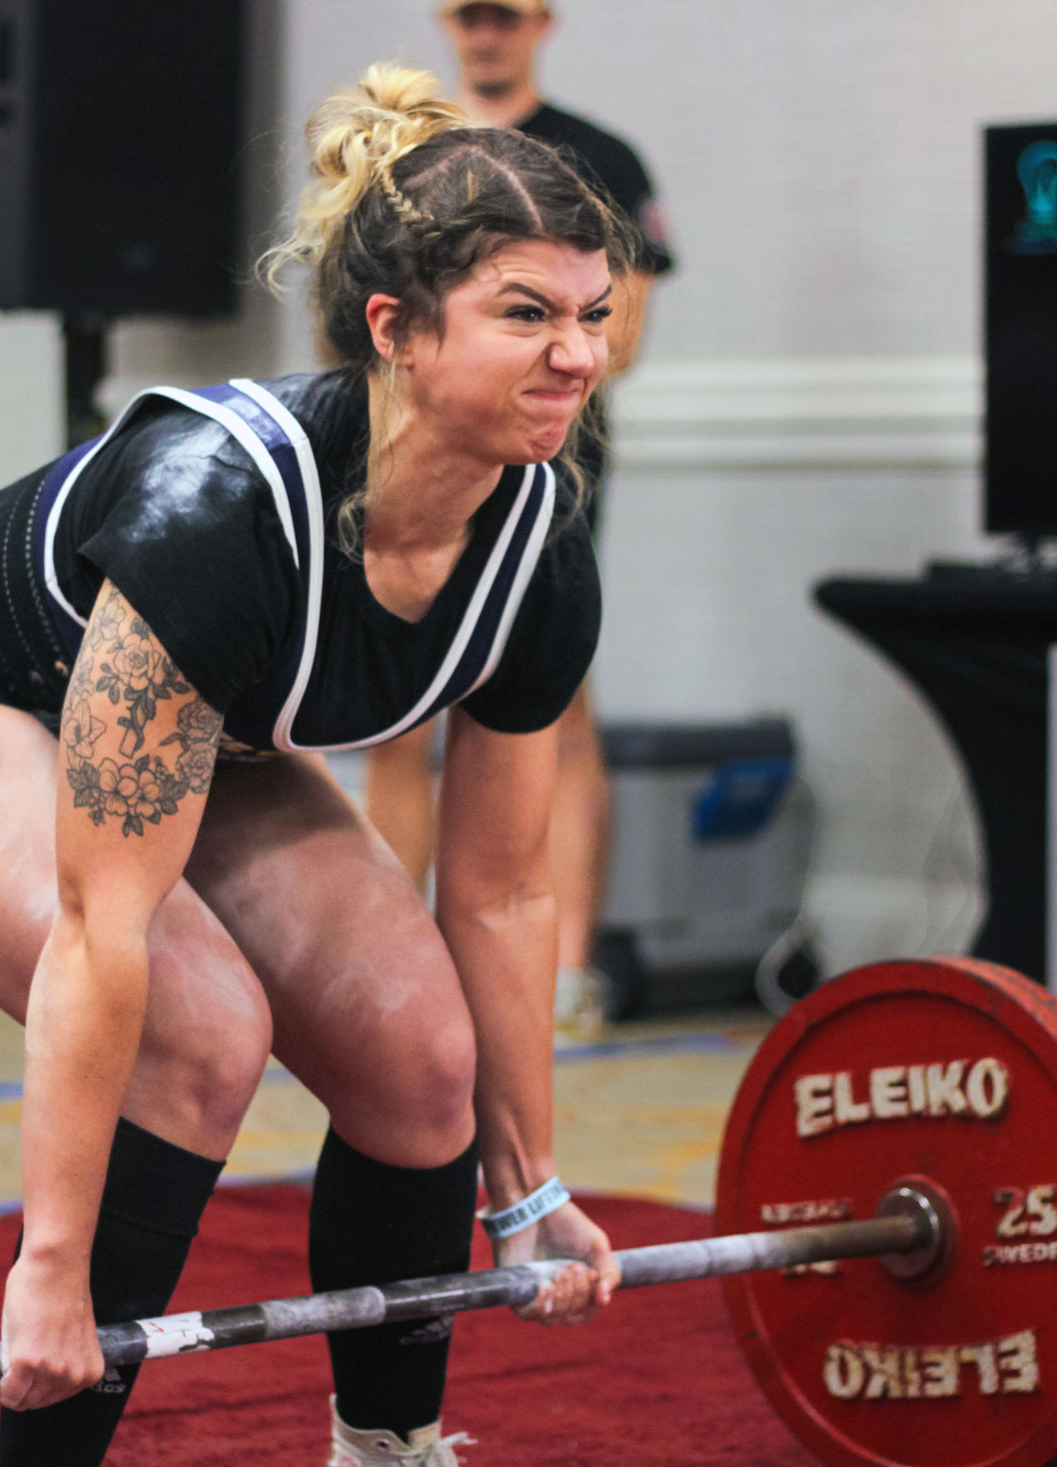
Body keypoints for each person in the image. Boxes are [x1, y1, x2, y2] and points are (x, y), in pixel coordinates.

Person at [0, 64, 637, 1467]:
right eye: (526, 315)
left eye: (593, 315)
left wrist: (528, 1183)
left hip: (209, 725)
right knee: (196, 1026)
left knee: (423, 1059)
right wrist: (52, 1269)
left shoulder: (539, 546)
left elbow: (497, 894)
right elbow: (99, 922)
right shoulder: (223, 508)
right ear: (397, 328)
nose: (575, 356)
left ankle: (387, 1446)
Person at [365, 0, 675, 1033]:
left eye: (505, 15)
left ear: (541, 20)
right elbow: (369, 328)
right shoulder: (415, 160)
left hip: (554, 472)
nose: (486, 34)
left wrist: (510, 352)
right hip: (415, 464)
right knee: (395, 717)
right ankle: (382, 965)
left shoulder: (600, 158)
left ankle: (565, 973)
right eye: (470, 15)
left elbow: (615, 336)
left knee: (552, 708)